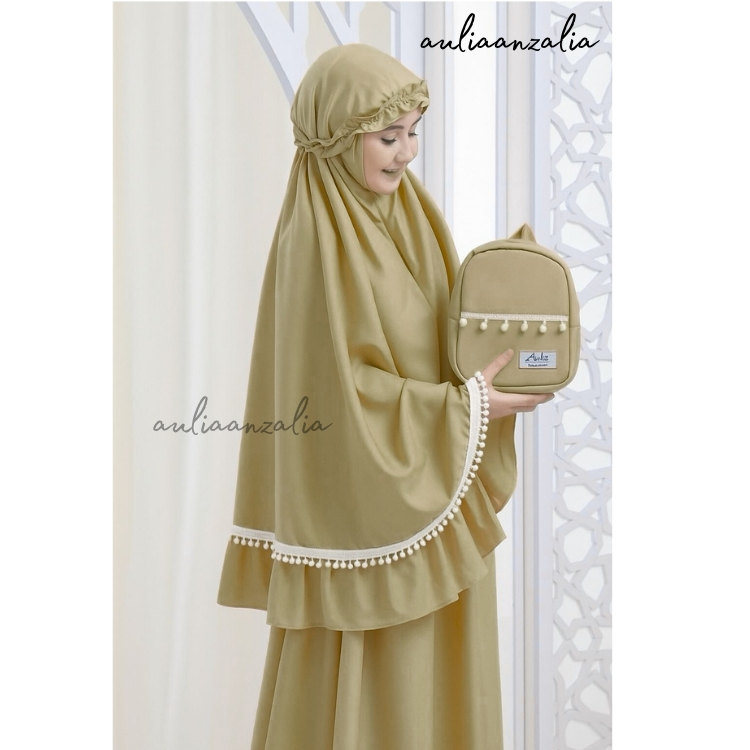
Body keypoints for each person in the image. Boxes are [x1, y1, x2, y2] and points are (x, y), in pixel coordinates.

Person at [217, 43, 552, 750]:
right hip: (369, 510)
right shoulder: (315, 243)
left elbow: (442, 338)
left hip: (434, 492)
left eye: (413, 132)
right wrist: (467, 409)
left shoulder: (410, 214)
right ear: (336, 139)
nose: (406, 154)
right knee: (376, 681)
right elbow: (342, 398)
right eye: (387, 136)